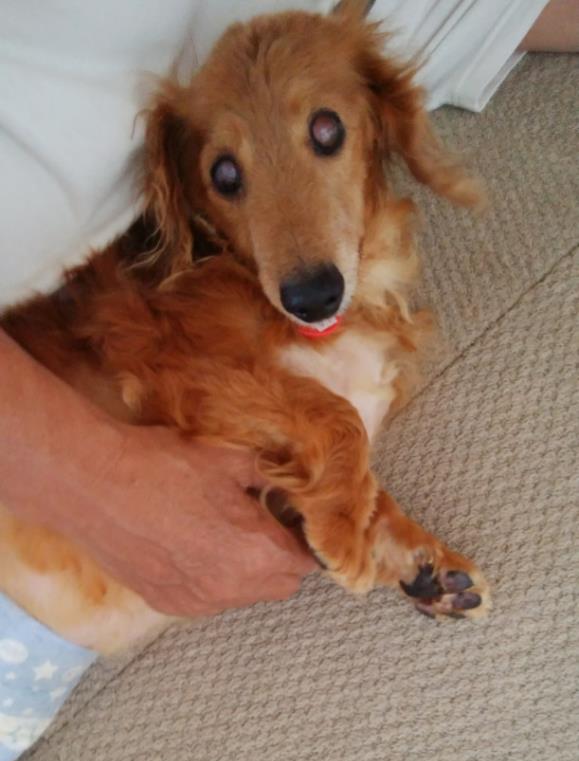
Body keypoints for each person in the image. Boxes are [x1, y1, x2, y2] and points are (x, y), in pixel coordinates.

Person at [1, 0, 578, 622]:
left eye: (325, 134)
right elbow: (184, 384)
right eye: (227, 175)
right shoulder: (194, 297)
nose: (298, 243)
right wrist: (98, 481)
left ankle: (384, 534)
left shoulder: (351, 48)